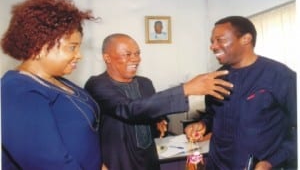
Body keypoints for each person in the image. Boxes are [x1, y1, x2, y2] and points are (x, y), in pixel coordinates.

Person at [84, 33, 233, 170]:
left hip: (149, 161)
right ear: (107, 58)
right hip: (117, 162)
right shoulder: (97, 85)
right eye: (127, 54)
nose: (135, 59)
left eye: (137, 53)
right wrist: (185, 89)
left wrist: (159, 121)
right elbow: (129, 109)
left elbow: (151, 110)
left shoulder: (145, 83)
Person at [1, 0, 107, 169]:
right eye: (72, 47)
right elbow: (49, 163)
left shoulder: (56, 80)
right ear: (40, 47)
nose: (79, 55)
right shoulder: (16, 92)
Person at [185, 16, 297, 170]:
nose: (213, 46)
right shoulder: (215, 79)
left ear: (246, 39)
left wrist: (271, 161)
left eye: (220, 40)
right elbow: (212, 116)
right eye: (212, 41)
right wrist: (202, 124)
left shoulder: (281, 76)